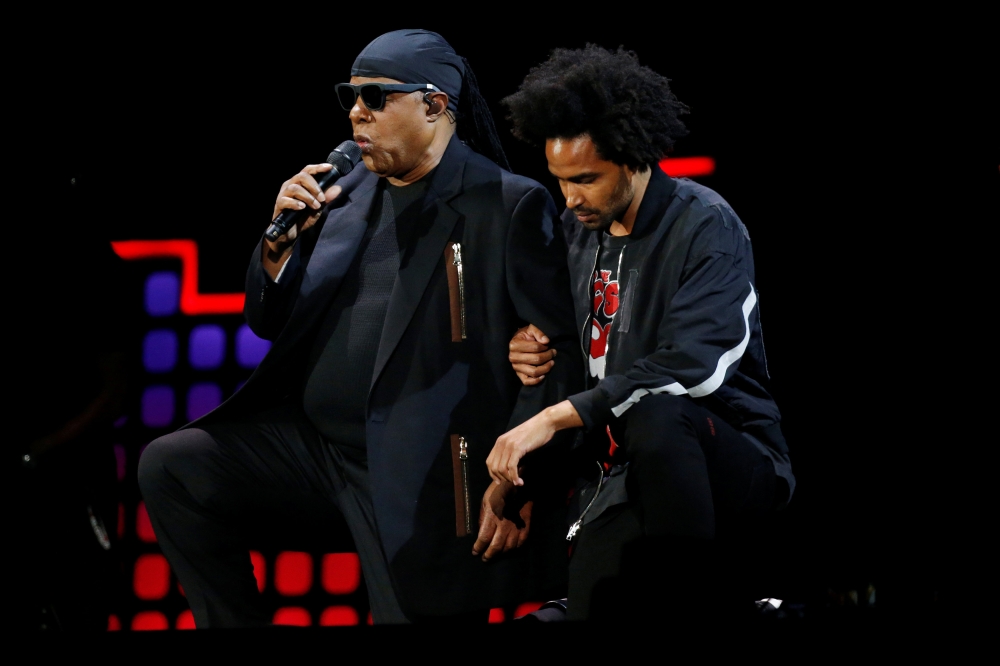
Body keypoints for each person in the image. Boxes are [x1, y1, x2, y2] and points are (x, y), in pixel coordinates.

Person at [138, 30, 581, 627]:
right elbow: (266, 322)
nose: (355, 112)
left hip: (426, 474)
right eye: (350, 94)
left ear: (434, 104)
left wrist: (518, 484)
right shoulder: (340, 192)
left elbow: (555, 358)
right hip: (318, 452)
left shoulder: (505, 204)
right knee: (173, 466)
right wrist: (276, 252)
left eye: (375, 96)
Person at [491, 45, 795, 619]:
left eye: (586, 179)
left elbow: (693, 367)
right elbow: (561, 349)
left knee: (657, 413)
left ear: (632, 159)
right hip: (620, 476)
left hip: (725, 462)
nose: (570, 197)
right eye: (559, 180)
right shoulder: (575, 230)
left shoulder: (707, 224)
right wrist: (529, 349)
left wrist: (555, 417)